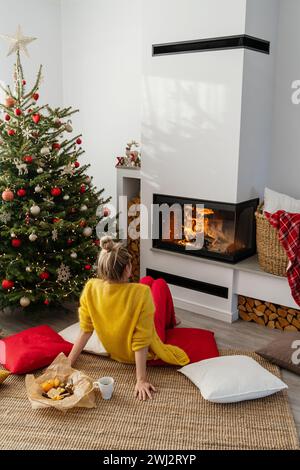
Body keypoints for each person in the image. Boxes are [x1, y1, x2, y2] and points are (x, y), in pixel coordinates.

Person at [68, 236, 189, 401]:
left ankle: (172, 319)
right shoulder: (141, 294)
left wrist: (68, 363)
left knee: (146, 281)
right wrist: (141, 380)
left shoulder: (91, 288)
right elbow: (141, 340)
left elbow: (85, 330)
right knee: (159, 283)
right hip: (135, 352)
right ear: (127, 269)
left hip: (115, 350)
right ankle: (172, 321)